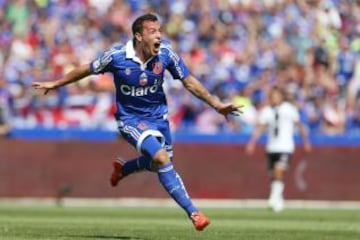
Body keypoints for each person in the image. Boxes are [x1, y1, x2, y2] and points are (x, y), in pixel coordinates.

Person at [32, 13, 242, 231]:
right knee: (161, 158)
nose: (159, 36)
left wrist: (217, 105)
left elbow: (188, 81)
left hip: (159, 119)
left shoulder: (166, 54)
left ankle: (125, 168)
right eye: (153, 31)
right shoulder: (116, 56)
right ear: (139, 36)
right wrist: (57, 83)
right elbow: (87, 68)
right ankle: (194, 213)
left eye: (159, 31)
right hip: (130, 120)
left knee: (158, 163)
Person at [245, 86, 311, 212]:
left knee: (279, 171)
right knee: (273, 175)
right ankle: (279, 200)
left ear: (281, 96)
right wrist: (252, 142)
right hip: (272, 147)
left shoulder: (289, 109)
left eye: (276, 95)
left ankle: (273, 198)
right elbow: (261, 127)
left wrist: (306, 141)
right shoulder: (267, 111)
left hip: (285, 146)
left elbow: (299, 125)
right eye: (272, 96)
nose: (274, 98)